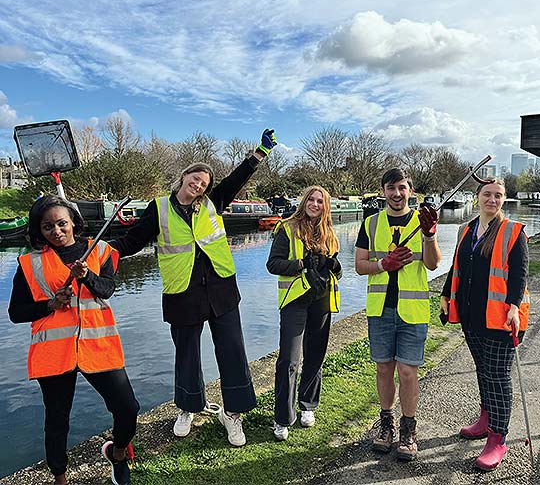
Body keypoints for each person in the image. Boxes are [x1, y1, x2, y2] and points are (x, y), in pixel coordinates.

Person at [110, 128, 277, 447]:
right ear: (183, 177)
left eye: (204, 182)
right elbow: (132, 241)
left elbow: (235, 180)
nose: (199, 183)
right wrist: (103, 250)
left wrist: (259, 153)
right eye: (195, 177)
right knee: (186, 354)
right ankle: (189, 407)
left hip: (221, 289)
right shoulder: (157, 208)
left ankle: (234, 413)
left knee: (232, 350)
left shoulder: (212, 202)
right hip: (182, 293)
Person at [8, 195, 139, 485]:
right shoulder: (29, 263)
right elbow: (15, 312)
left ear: (73, 222)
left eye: (61, 223)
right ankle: (60, 477)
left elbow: (106, 290)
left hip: (98, 346)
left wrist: (86, 276)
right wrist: (49, 305)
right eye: (47, 227)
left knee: (128, 408)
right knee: (57, 421)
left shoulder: (100, 250)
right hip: (54, 352)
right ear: (38, 230)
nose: (56, 231)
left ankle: (118, 454)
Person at [440, 178, 529, 471]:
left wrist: (515, 308)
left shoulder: (513, 232)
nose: (492, 200)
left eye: (498, 196)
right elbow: (456, 266)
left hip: (502, 319)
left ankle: (498, 438)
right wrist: (444, 296)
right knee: (483, 370)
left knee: (497, 375)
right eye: (487, 195)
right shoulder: (466, 229)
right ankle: (486, 418)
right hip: (471, 315)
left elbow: (520, 275)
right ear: (478, 197)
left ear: (504, 199)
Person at [355, 168, 441, 460]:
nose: (396, 193)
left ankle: (408, 429)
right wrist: (384, 265)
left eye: (402, 188)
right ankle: (386, 425)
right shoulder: (371, 223)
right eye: (390, 188)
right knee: (383, 369)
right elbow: (360, 265)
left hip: (412, 310)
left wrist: (429, 236)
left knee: (407, 371)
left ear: (411, 191)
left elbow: (432, 265)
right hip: (381, 309)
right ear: (382, 191)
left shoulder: (422, 221)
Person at [266, 185, 342, 441]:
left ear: (325, 205)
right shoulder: (287, 228)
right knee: (289, 360)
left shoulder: (329, 232)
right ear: (304, 201)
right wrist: (300, 264)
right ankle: (282, 418)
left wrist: (334, 265)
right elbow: (273, 264)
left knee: (315, 357)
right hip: (294, 301)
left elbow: (337, 272)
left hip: (321, 301)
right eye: (311, 199)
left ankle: (308, 406)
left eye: (320, 201)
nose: (315, 204)